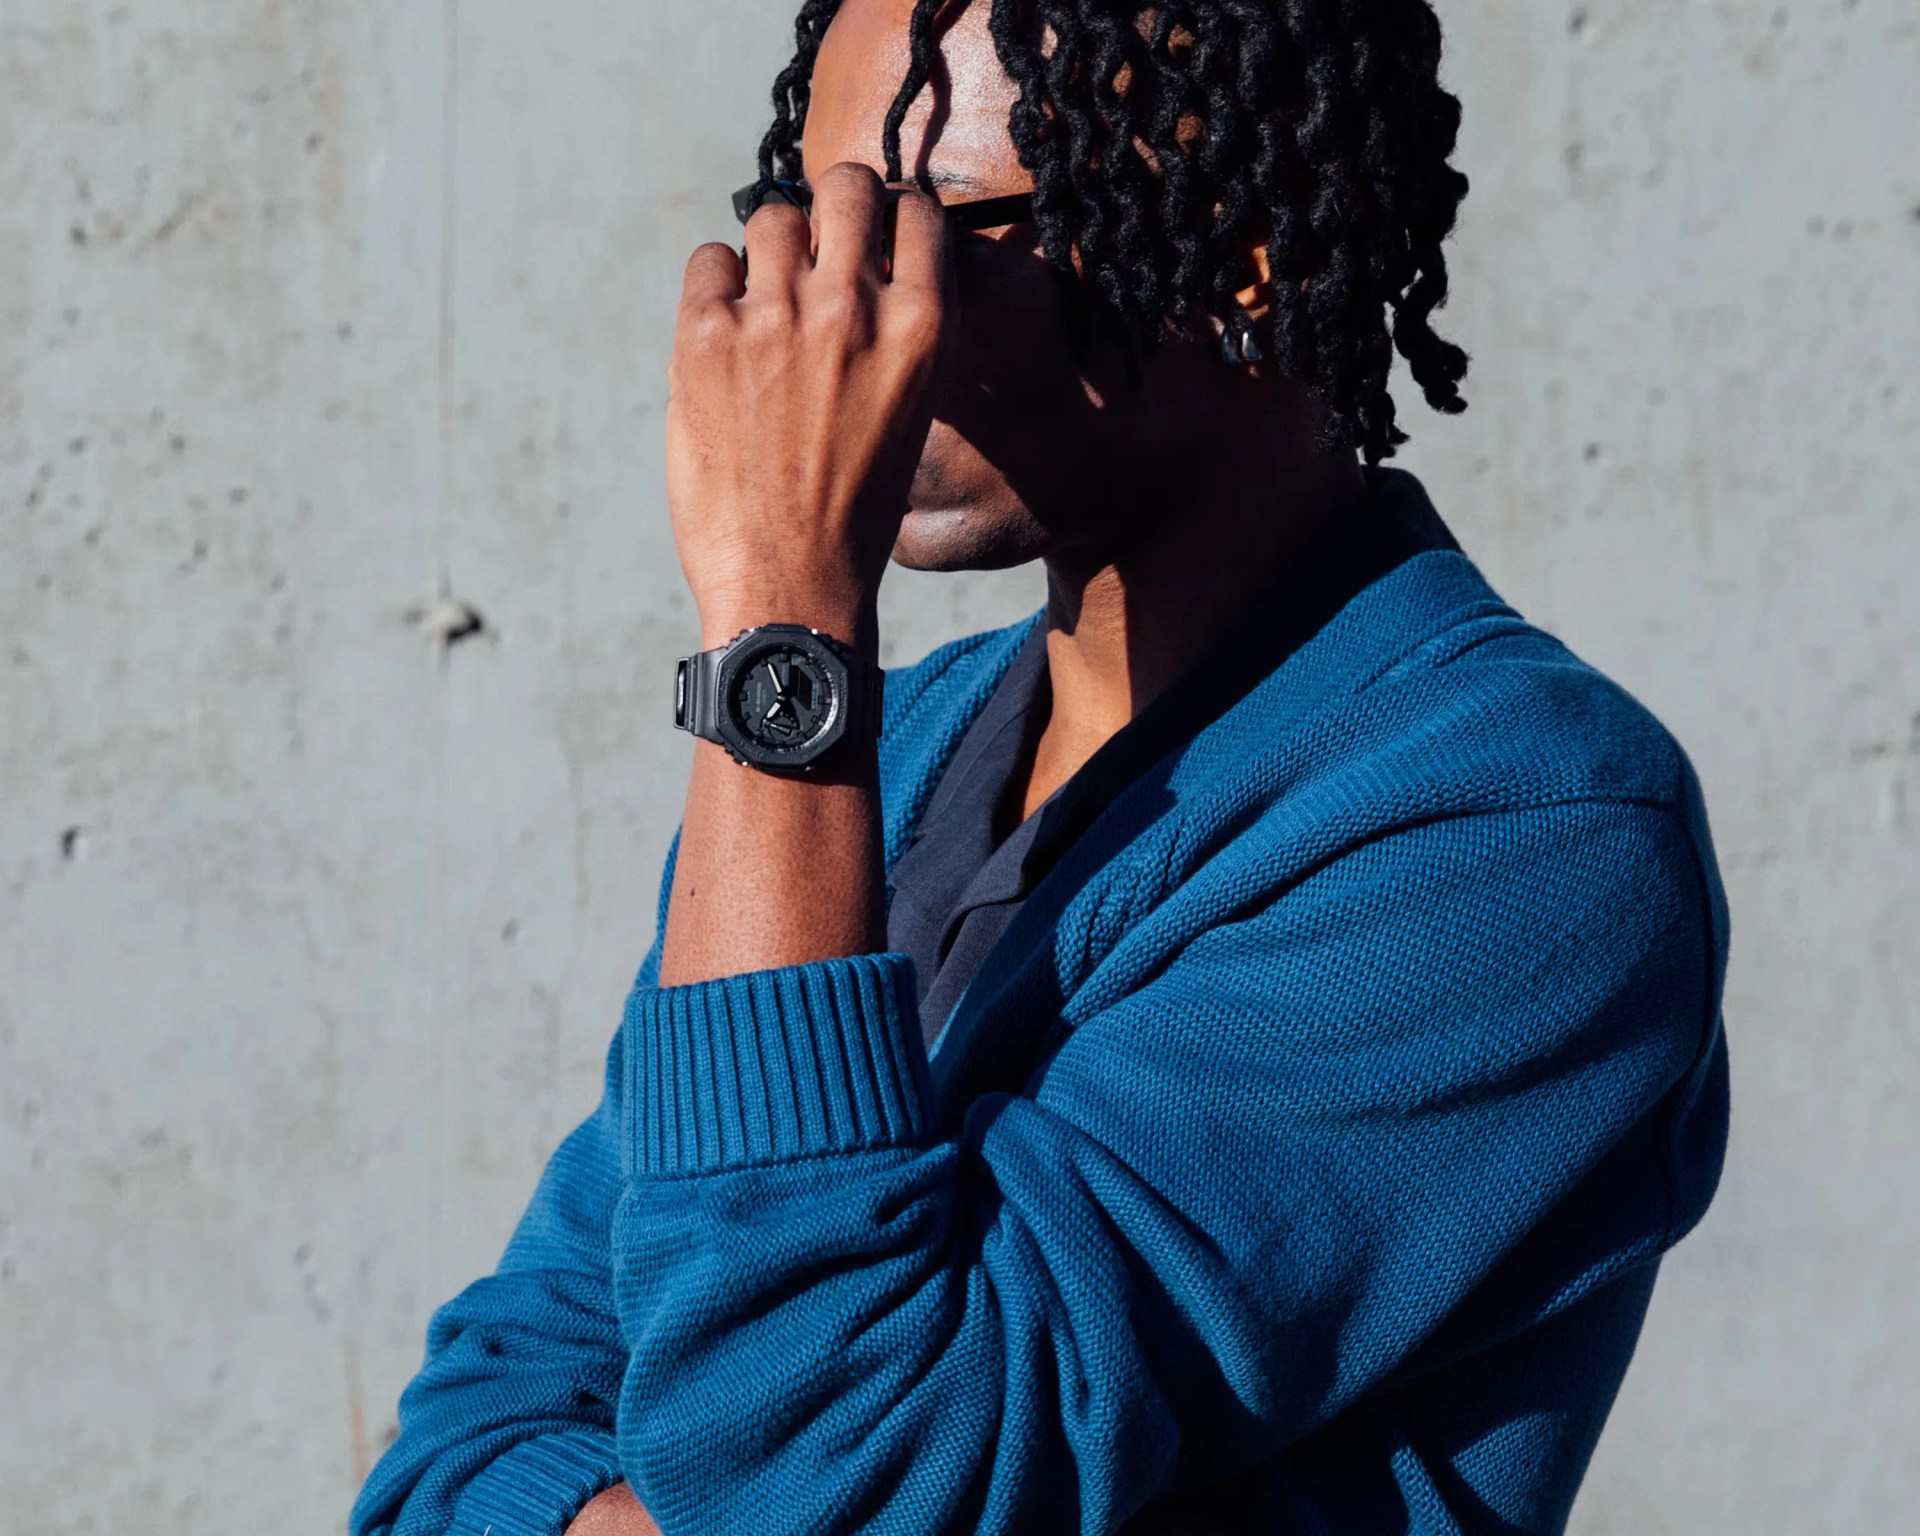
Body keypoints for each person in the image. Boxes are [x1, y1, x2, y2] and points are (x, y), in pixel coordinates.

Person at [351, 1, 1731, 1532]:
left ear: (1248, 244)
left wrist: (783, 616)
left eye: (937, 235)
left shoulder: (1521, 840)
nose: (841, 319)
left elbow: (820, 1478)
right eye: (815, 224)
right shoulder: (881, 757)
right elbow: (466, 1442)